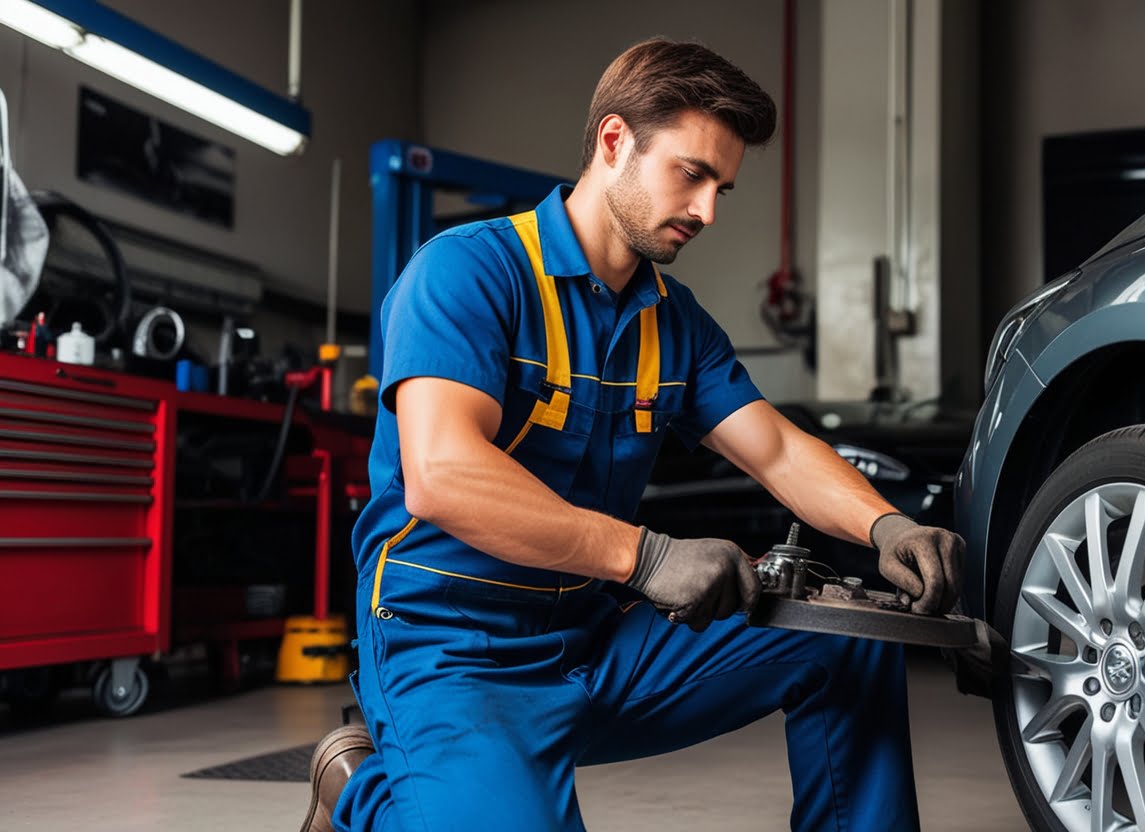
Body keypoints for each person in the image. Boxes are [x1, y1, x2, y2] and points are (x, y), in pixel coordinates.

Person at [301, 37, 964, 832]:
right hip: (449, 647)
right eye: (691, 174)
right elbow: (443, 474)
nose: (707, 210)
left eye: (723, 187)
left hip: (593, 636)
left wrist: (884, 524)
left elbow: (779, 449)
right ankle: (356, 789)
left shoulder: (674, 324)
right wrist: (646, 556)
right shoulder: (467, 273)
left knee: (845, 635)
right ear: (615, 141)